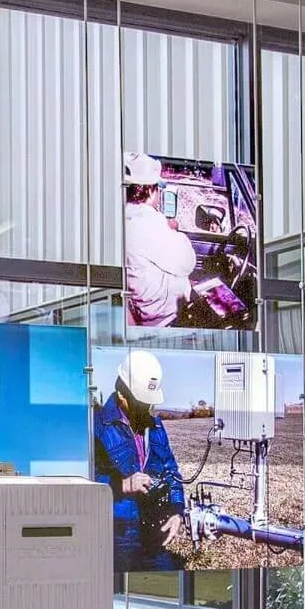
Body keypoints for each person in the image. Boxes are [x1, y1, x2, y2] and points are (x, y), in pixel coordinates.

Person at [93, 349, 190, 571]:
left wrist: (177, 511)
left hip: (152, 530)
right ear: (121, 393)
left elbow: (171, 470)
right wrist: (123, 485)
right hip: (116, 533)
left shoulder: (155, 426)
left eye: (149, 403)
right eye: (141, 402)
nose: (146, 408)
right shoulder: (96, 425)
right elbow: (83, 481)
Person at [121, 151, 199, 328]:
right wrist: (176, 231)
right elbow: (187, 262)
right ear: (149, 189)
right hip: (169, 319)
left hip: (151, 306)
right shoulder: (146, 224)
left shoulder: (129, 219)